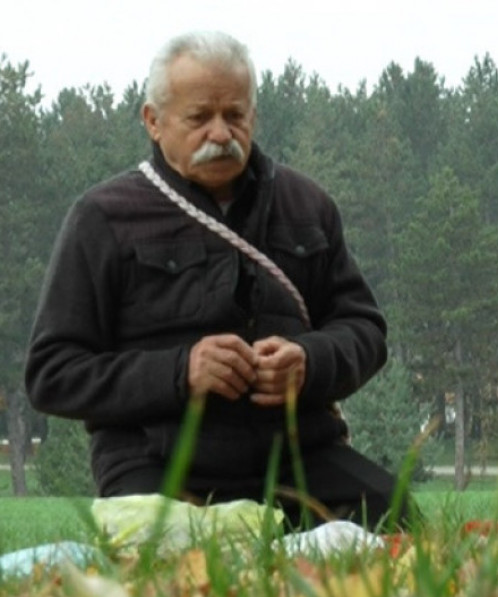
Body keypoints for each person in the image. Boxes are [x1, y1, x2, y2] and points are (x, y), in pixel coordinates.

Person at [25, 30, 415, 532]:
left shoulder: (307, 205)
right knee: (171, 554)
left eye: (234, 115)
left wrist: (309, 362)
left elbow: (364, 329)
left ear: (253, 114)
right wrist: (181, 371)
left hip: (296, 456)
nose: (220, 133)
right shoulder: (103, 218)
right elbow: (52, 373)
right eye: (198, 118)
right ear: (153, 121)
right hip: (158, 464)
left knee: (398, 524)